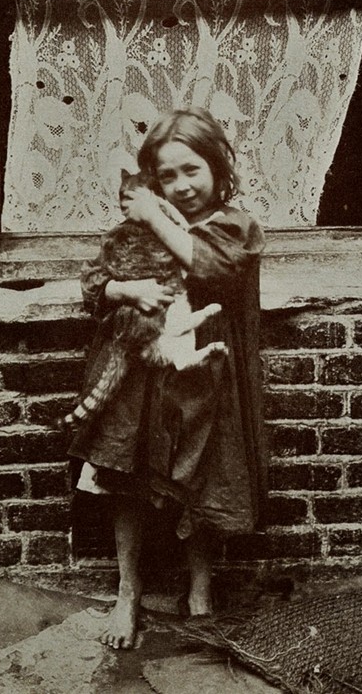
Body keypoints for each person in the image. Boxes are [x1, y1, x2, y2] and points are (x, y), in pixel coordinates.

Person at [68, 107, 266, 650]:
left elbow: (213, 268)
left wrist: (155, 216)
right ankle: (127, 591)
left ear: (218, 165)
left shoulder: (236, 227)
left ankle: (200, 589)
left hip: (208, 375)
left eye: (192, 171)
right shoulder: (140, 228)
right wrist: (123, 291)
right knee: (127, 480)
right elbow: (92, 283)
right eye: (167, 176)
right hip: (140, 377)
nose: (180, 187)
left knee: (199, 480)